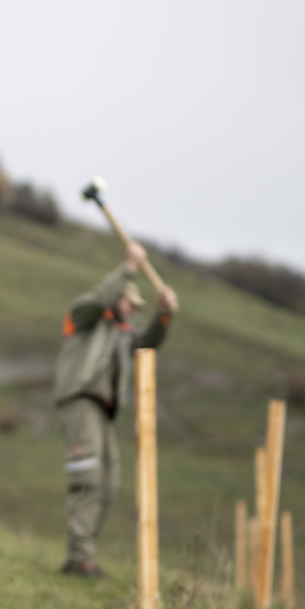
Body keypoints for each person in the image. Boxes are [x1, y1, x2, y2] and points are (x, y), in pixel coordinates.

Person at [52, 241, 178, 577]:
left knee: (109, 485)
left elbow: (147, 341)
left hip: (103, 414)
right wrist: (129, 268)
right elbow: (99, 299)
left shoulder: (122, 336)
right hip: (81, 402)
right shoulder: (84, 317)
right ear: (117, 297)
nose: (133, 310)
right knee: (88, 477)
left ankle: (84, 554)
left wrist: (164, 314)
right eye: (129, 302)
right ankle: (79, 558)